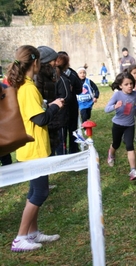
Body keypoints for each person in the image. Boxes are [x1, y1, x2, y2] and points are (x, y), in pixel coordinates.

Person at [7, 45, 64, 252]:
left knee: (34, 191)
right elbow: (40, 119)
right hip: (34, 150)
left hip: (33, 149)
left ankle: (32, 232)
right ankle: (20, 238)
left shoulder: (26, 84)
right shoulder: (28, 88)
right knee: (39, 193)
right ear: (35, 62)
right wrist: (55, 105)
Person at [105, 72, 136, 180]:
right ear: (120, 85)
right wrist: (115, 106)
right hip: (117, 124)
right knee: (116, 144)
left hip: (130, 125)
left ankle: (133, 171)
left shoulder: (135, 94)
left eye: (131, 83)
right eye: (126, 84)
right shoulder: (117, 95)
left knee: (130, 146)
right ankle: (111, 154)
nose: (130, 86)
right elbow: (106, 109)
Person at [35, 46, 61, 154]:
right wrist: (52, 106)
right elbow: (39, 101)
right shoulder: (38, 77)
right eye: (54, 60)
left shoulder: (49, 75)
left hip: (51, 116)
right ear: (46, 61)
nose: (56, 63)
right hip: (45, 118)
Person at [58, 51, 83, 154]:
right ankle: (63, 152)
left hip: (70, 106)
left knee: (71, 130)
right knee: (63, 131)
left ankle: (72, 151)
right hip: (61, 108)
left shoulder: (72, 74)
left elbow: (79, 89)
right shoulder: (56, 75)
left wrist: (71, 89)